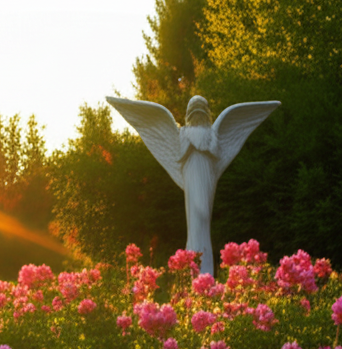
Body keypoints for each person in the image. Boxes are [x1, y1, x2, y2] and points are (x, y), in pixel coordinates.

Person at [107, 95, 279, 275]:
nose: (198, 110)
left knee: (204, 215)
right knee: (195, 219)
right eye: (194, 107)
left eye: (201, 107)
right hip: (190, 174)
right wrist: (195, 139)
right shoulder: (183, 133)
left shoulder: (212, 133)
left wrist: (201, 140)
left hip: (207, 175)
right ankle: (195, 271)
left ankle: (204, 272)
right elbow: (181, 154)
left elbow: (215, 151)